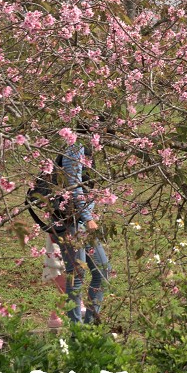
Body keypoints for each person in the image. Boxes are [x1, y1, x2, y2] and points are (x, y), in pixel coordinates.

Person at [52, 123, 111, 325]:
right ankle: (76, 330)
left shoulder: (88, 150)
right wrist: (88, 218)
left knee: (102, 271)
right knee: (77, 275)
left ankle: (91, 323)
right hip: (70, 222)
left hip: (81, 221)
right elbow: (73, 185)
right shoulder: (75, 149)